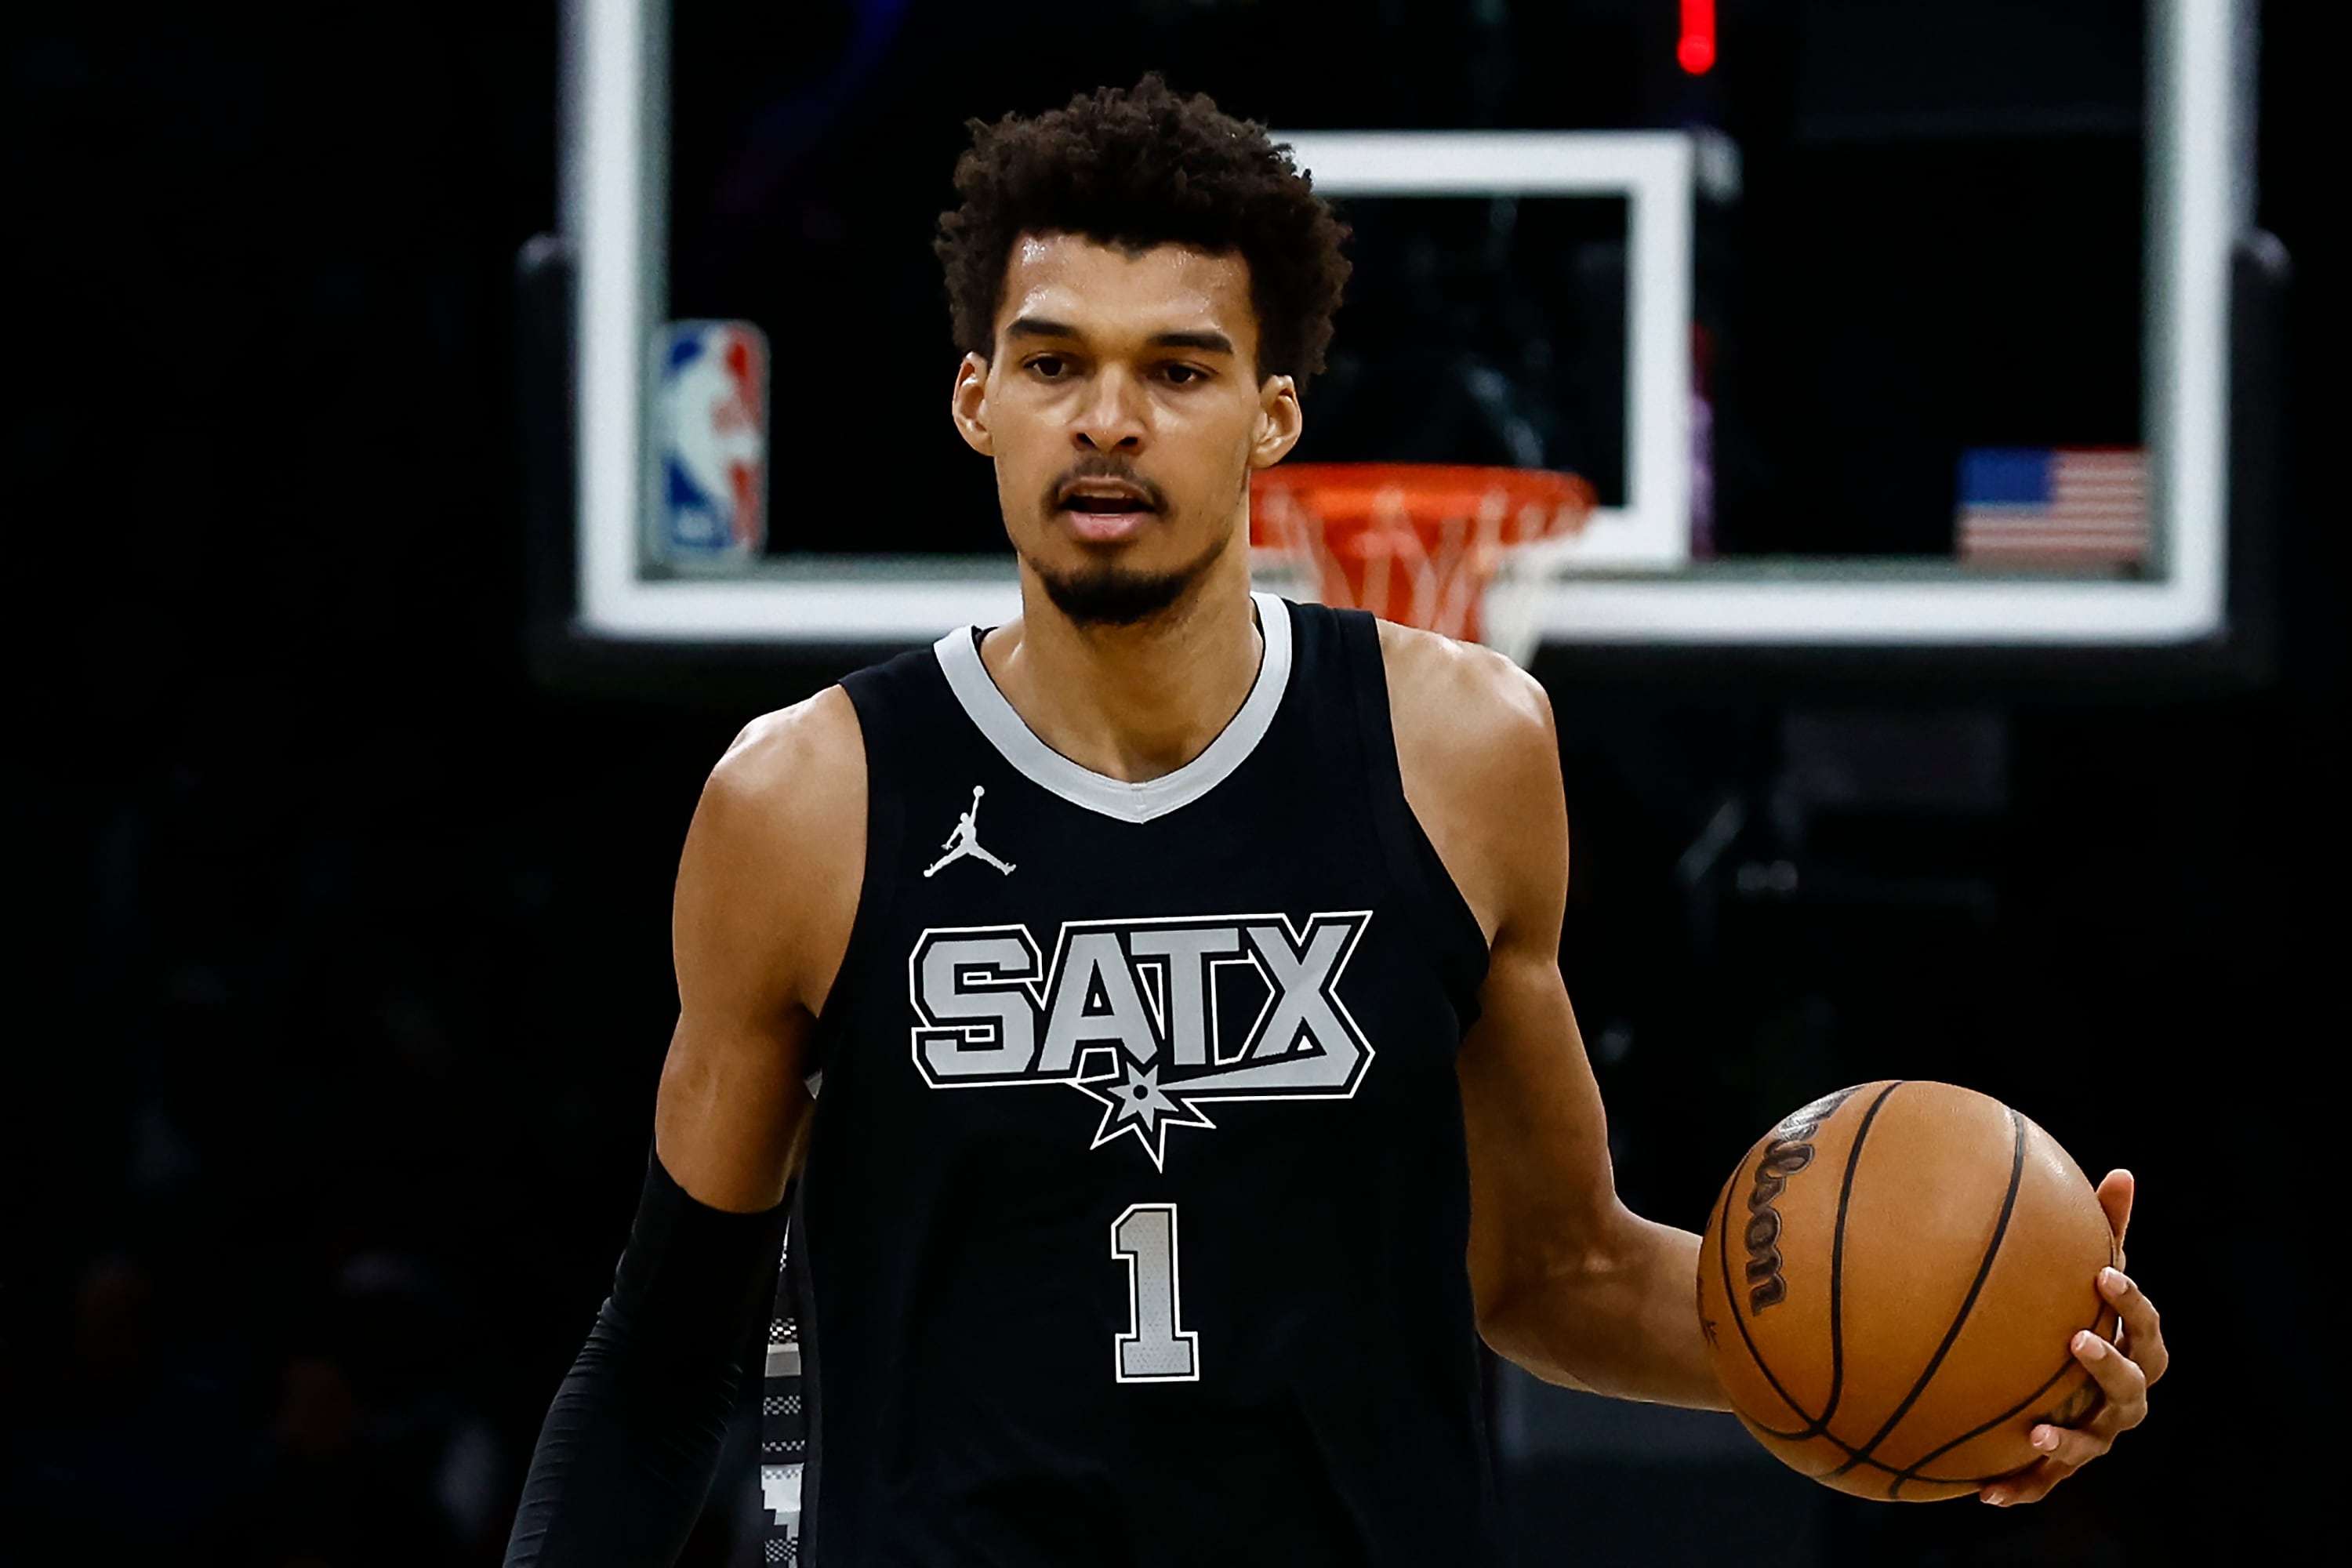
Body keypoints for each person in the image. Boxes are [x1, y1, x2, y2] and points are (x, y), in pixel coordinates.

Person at [503, 78, 2166, 1566]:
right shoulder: (807, 797)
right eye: (1055, 361)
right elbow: (662, 1354)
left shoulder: (1463, 749)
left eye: (1179, 367)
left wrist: (1996, 1351)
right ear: (974, 401)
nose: (1108, 419)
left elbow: (1558, 1273)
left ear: (1276, 419)